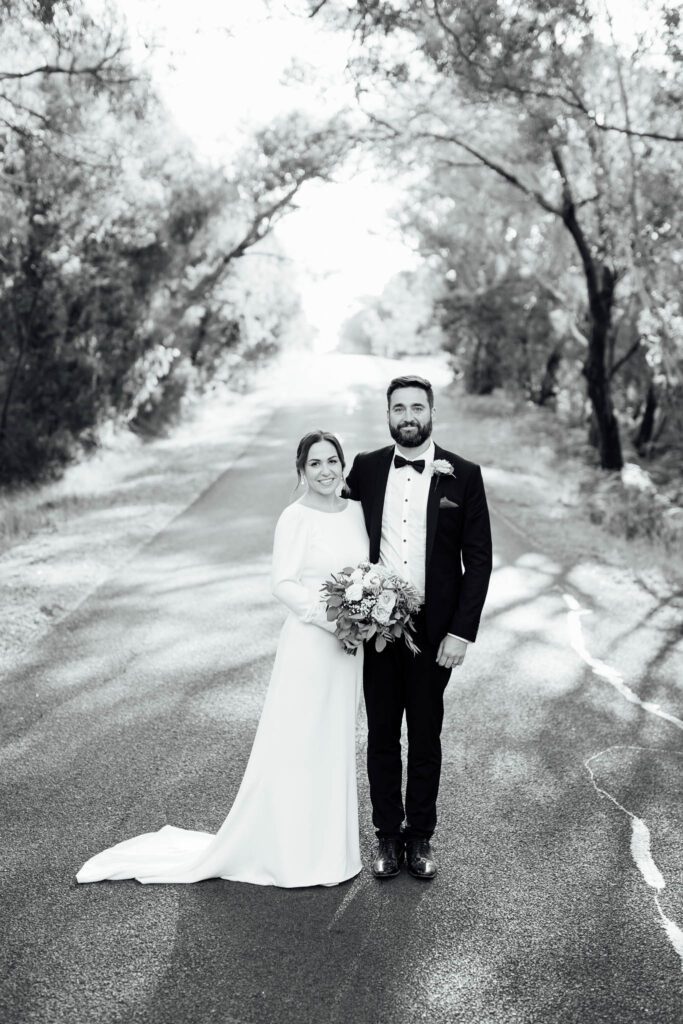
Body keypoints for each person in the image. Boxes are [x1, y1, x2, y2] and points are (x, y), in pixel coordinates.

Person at [76, 431, 369, 888]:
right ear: (301, 471)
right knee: (299, 742)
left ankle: (329, 850)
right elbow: (282, 583)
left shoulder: (356, 512)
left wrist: (367, 614)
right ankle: (291, 852)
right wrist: (335, 622)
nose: (325, 470)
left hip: (350, 653)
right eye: (314, 464)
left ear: (343, 465)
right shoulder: (295, 517)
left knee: (334, 742)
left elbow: (367, 572)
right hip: (312, 645)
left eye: (332, 461)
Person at [345, 375, 492, 881]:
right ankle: (387, 835)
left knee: (426, 735)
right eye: (399, 408)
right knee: (382, 734)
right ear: (387, 414)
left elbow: (479, 559)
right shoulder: (366, 468)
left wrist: (462, 632)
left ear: (431, 412)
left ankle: (421, 835)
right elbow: (333, 520)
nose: (408, 416)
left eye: (416, 407)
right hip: (378, 626)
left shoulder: (464, 475)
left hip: (435, 631)